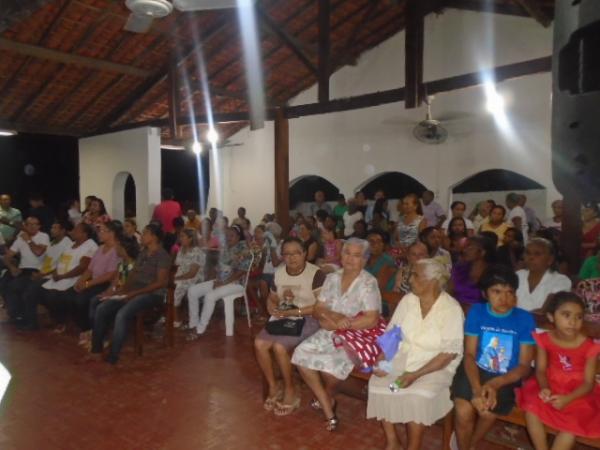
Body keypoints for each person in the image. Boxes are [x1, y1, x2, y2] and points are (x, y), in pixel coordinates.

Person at [367, 259, 464, 450]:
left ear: (433, 281)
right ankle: (393, 441)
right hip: (402, 358)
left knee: (416, 397)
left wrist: (415, 375)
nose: (409, 279)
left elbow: (447, 355)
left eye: (415, 275)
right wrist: (382, 360)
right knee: (380, 384)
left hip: (434, 367)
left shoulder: (451, 309)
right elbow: (394, 334)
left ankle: (414, 446)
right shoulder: (408, 300)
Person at [292, 238, 381, 431]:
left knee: (330, 369)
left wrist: (343, 326)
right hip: (329, 331)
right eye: (346, 253)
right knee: (300, 354)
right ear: (340, 255)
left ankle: (325, 401)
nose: (350, 259)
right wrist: (334, 317)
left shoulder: (368, 282)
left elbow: (371, 319)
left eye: (356, 255)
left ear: (364, 260)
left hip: (355, 338)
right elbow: (318, 308)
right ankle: (327, 404)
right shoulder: (332, 278)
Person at [452, 265, 536, 450]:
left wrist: (494, 384)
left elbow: (524, 366)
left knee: (487, 413)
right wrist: (476, 389)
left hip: (507, 375)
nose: (503, 298)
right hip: (475, 368)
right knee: (463, 410)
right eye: (496, 291)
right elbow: (469, 355)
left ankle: (470, 444)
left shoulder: (524, 319)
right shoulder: (477, 312)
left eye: (509, 292)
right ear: (485, 293)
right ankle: (463, 446)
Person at [517, 292, 600, 449]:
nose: (573, 322)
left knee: (569, 428)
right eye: (566, 315)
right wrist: (544, 388)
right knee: (531, 409)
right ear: (551, 317)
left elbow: (589, 383)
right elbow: (540, 370)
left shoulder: (589, 346)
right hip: (551, 383)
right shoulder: (545, 339)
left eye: (579, 317)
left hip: (579, 392)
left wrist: (568, 399)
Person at [254, 237, 326, 416]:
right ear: (282, 256)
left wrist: (293, 313)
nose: (292, 258)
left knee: (280, 347)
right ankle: (273, 386)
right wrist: (271, 307)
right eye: (287, 254)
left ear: (305, 254)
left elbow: (320, 308)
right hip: (284, 317)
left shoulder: (316, 274)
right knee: (259, 344)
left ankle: (290, 389)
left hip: (308, 317)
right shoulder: (279, 273)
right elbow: (272, 298)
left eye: (296, 253)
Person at [89, 223, 171, 364]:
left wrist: (134, 293)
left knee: (122, 314)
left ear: (154, 237)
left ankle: (113, 356)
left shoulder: (162, 255)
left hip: (153, 294)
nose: (142, 236)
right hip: (135, 291)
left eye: (145, 233)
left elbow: (161, 283)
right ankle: (96, 350)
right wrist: (122, 290)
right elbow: (133, 274)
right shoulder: (143, 253)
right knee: (102, 307)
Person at [186, 225, 252, 339]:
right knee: (192, 291)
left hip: (236, 283)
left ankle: (200, 329)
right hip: (220, 280)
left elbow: (241, 272)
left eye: (232, 235)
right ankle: (193, 323)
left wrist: (223, 282)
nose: (228, 237)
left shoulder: (244, 250)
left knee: (210, 296)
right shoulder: (225, 249)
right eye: (227, 235)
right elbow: (218, 268)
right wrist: (214, 280)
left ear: (238, 237)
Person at [39, 222, 98, 332]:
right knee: (43, 291)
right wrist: (56, 272)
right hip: (60, 277)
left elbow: (83, 267)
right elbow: (61, 261)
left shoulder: (90, 245)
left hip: (75, 278)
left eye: (76, 230)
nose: (73, 232)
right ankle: (59, 320)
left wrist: (62, 276)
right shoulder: (71, 244)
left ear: (84, 234)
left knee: (57, 296)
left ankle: (64, 322)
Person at [17, 220, 73, 330]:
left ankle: (32, 323)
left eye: (55, 228)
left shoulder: (67, 244)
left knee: (31, 292)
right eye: (52, 228)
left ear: (63, 231)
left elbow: (61, 266)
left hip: (54, 277)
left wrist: (42, 276)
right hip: (43, 274)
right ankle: (24, 318)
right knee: (20, 286)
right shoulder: (52, 243)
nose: (52, 230)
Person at [70, 221, 122, 338]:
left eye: (102, 231)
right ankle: (86, 328)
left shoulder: (117, 250)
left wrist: (88, 283)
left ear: (112, 233)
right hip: (94, 282)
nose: (99, 233)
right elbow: (90, 269)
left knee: (83, 300)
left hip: (106, 284)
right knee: (72, 295)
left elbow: (110, 275)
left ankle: (94, 330)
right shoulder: (100, 248)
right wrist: (81, 281)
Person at [87, 235, 140, 341]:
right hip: (117, 293)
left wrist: (112, 294)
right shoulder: (121, 264)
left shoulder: (134, 265)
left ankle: (101, 335)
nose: (116, 248)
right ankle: (97, 330)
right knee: (95, 300)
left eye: (118, 247)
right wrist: (107, 293)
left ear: (124, 249)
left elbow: (127, 287)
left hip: (126, 295)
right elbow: (115, 282)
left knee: (102, 307)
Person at [2, 216, 50, 323]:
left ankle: (21, 316)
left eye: (35, 224)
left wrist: (28, 240)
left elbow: (38, 252)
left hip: (36, 271)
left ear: (39, 226)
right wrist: (12, 267)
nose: (32, 227)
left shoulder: (43, 236)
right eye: (29, 224)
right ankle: (15, 314)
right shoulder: (21, 238)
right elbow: (7, 257)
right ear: (25, 226)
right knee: (4, 281)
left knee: (15, 286)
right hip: (22, 270)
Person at [516, 238, 572, 312]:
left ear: (550, 259)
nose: (531, 257)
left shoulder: (561, 281)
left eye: (537, 254)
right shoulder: (517, 275)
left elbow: (543, 311)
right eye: (528, 253)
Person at [448, 236, 495, 308]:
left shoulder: (493, 273)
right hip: (456, 311)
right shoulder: (458, 269)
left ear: (482, 252)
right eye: (465, 247)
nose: (464, 250)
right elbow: (449, 293)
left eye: (470, 248)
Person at [173, 228, 205, 327]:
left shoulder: (197, 252)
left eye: (183, 236)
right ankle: (170, 313)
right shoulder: (181, 250)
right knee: (167, 284)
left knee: (177, 286)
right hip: (181, 276)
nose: (180, 238)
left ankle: (176, 318)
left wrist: (176, 278)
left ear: (190, 238)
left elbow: (192, 273)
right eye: (180, 236)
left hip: (194, 278)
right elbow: (177, 266)